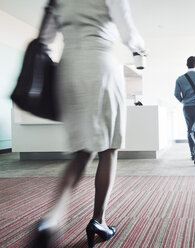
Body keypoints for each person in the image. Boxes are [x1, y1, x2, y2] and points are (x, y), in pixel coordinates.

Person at [31, 0, 146, 247]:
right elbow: (128, 35)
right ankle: (99, 220)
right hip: (100, 66)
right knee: (109, 149)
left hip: (69, 69)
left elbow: (45, 37)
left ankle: (52, 220)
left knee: (81, 152)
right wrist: (140, 48)